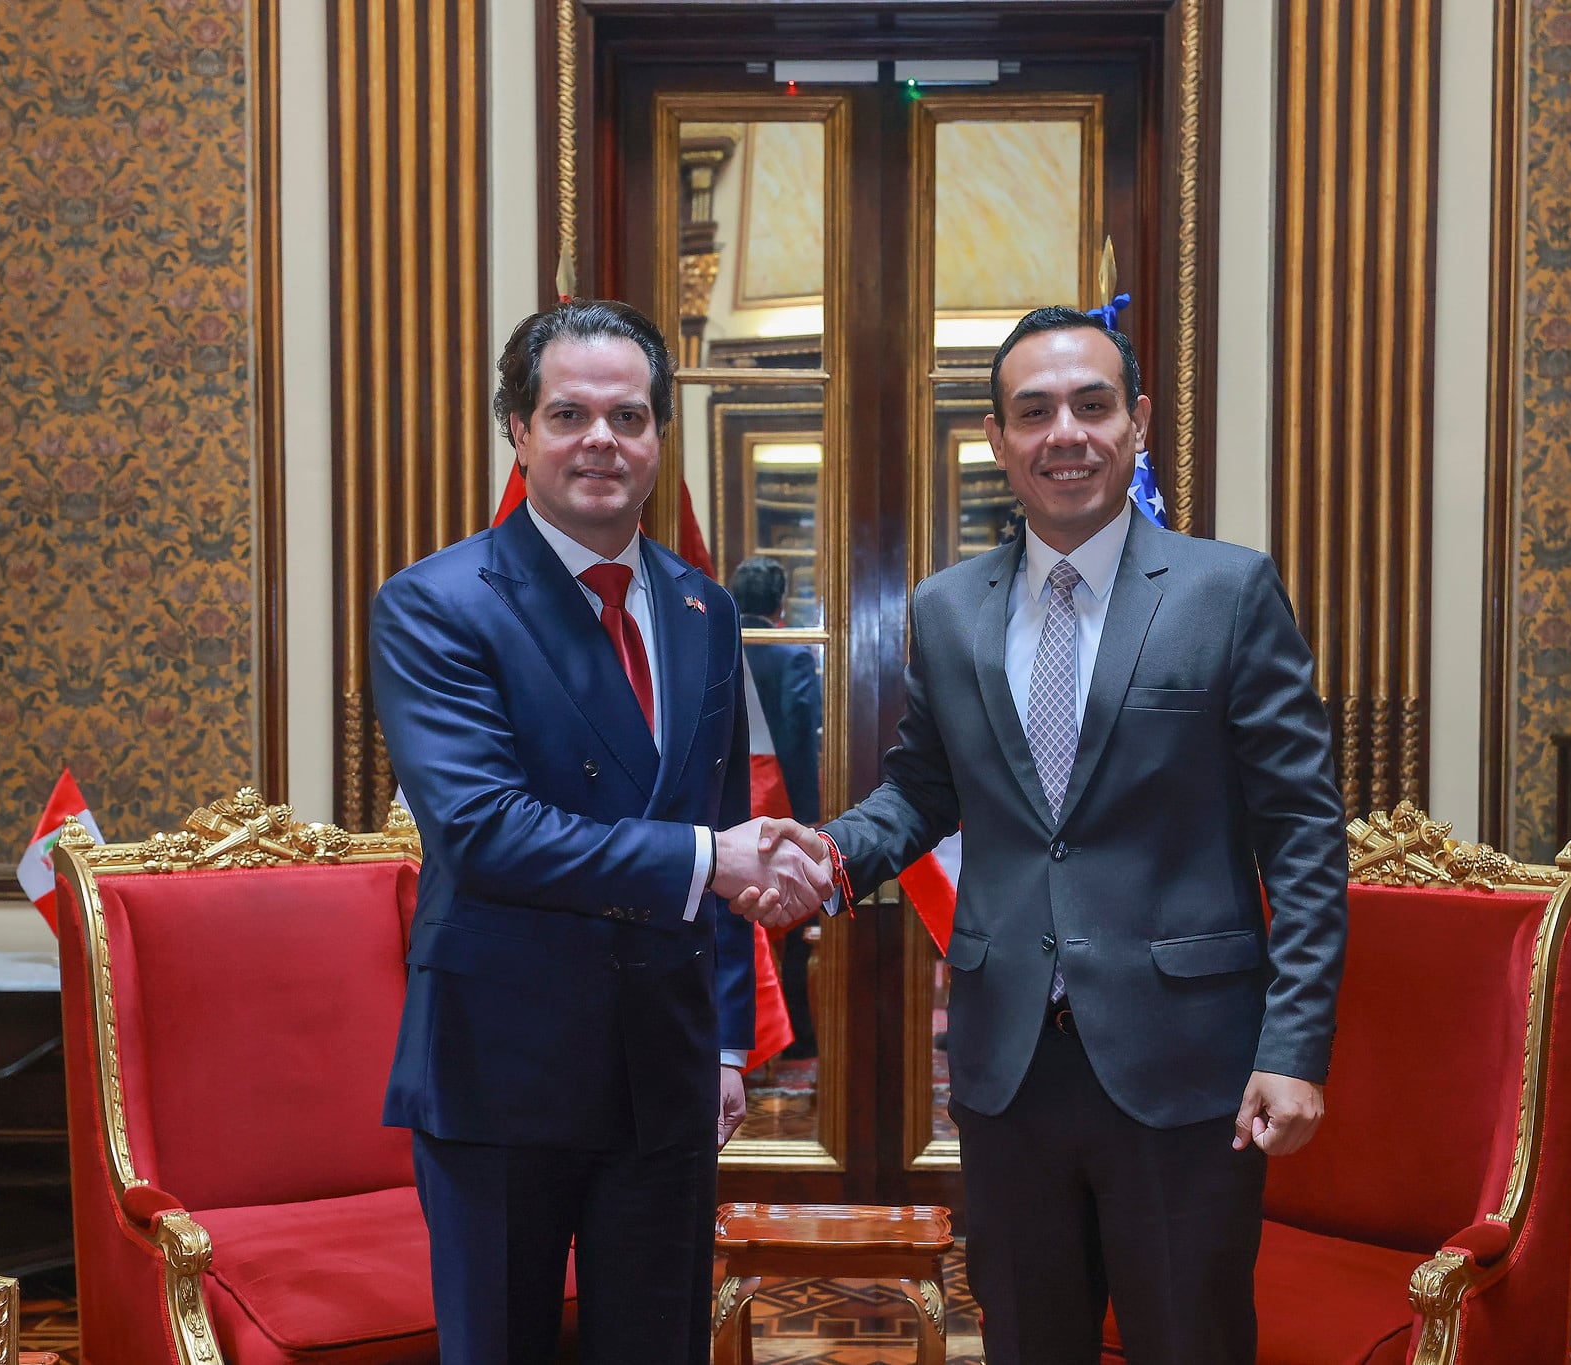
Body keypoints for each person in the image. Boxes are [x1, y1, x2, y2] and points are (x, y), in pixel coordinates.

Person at [740, 306, 1349, 1365]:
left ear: (1137, 422)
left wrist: (1291, 1050)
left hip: (1185, 1065)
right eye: (1033, 412)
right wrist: (823, 862)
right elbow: (920, 792)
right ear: (996, 439)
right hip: (1006, 1066)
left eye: (1090, 404)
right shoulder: (947, 609)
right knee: (1027, 1344)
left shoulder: (1226, 592)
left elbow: (1300, 835)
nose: (1063, 431)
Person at [370, 299, 833, 1365]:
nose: (599, 441)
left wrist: (725, 1037)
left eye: (627, 418)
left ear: (659, 438)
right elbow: (483, 830)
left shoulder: (701, 610)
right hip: (500, 1069)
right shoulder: (435, 605)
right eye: (567, 413)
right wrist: (707, 861)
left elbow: (714, 819)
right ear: (519, 432)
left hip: (663, 1070)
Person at [728, 555, 823, 1057]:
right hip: (775, 790)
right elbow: (800, 737)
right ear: (781, 602)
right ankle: (795, 1034)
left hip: (723, 790)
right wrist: (810, 810)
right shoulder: (790, 654)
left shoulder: (712, 639)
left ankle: (737, 1029)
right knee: (783, 907)